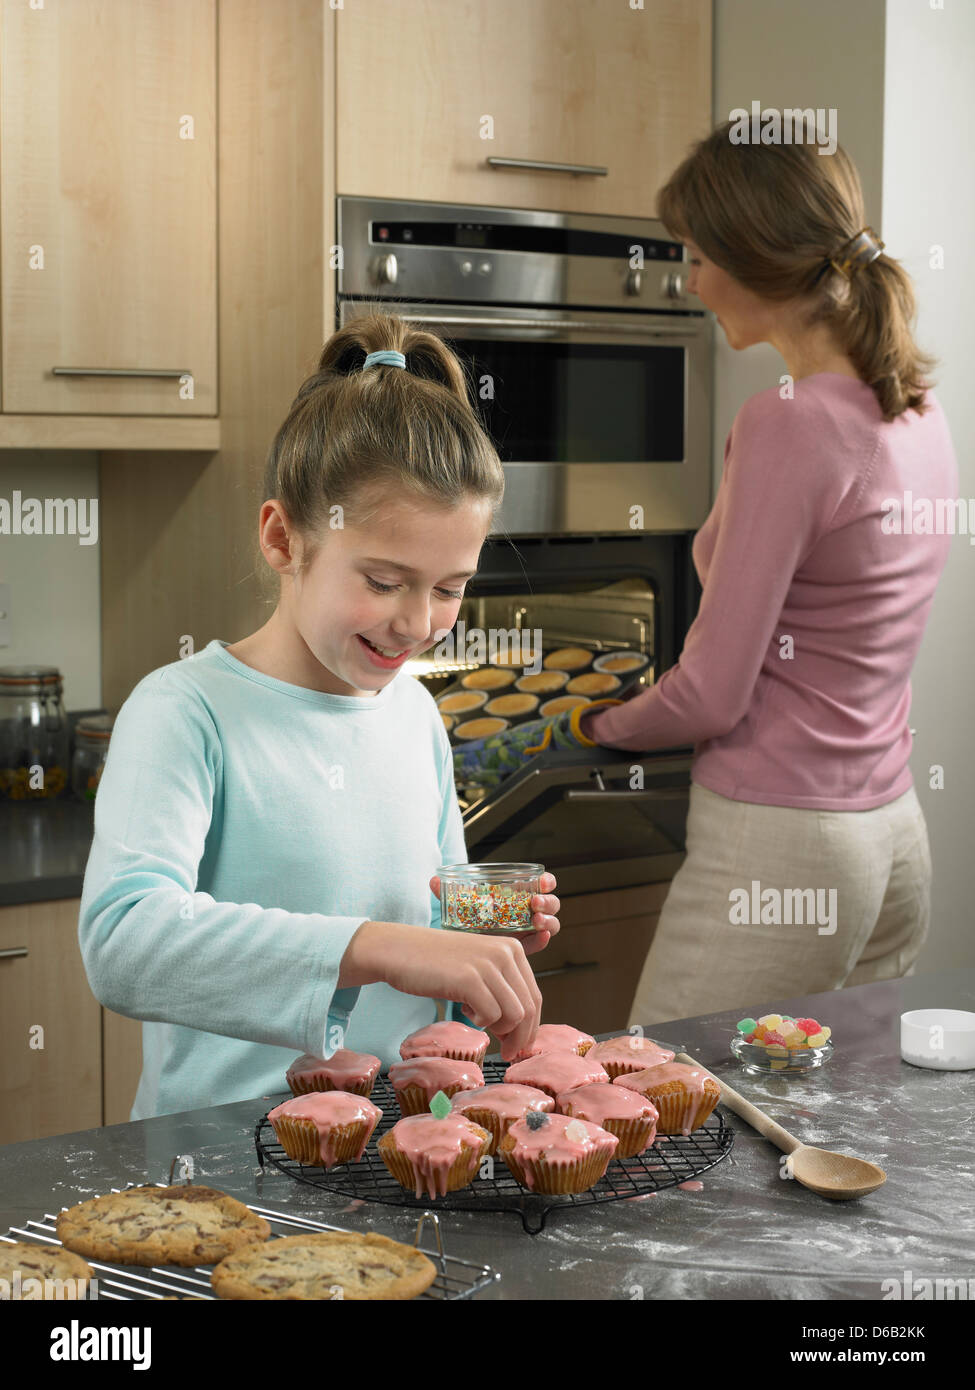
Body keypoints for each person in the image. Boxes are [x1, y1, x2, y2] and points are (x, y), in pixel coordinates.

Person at [78, 318, 561, 1119]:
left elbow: (425, 931)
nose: (415, 623)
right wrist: (375, 944)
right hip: (232, 1157)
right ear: (282, 539)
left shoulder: (411, 711)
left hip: (404, 1147)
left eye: (448, 588)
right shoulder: (184, 712)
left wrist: (471, 956)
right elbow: (125, 943)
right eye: (382, 580)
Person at [589, 120, 959, 1024]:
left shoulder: (787, 421)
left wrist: (594, 721)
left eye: (696, 254)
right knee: (819, 1121)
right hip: (890, 838)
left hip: (780, 841)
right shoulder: (914, 409)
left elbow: (712, 695)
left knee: (664, 1102)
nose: (691, 281)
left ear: (752, 256)